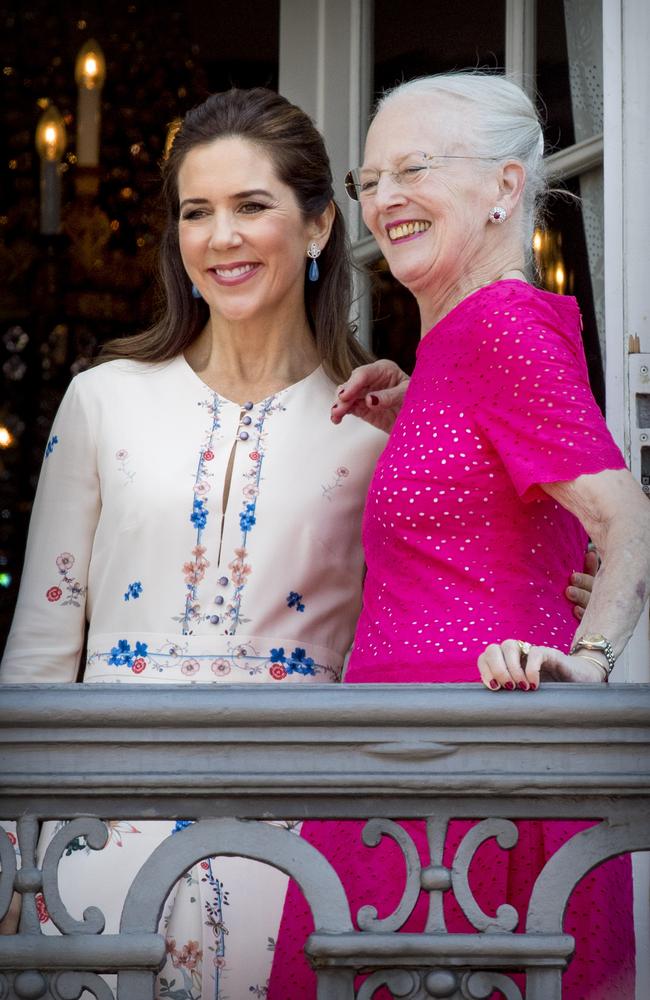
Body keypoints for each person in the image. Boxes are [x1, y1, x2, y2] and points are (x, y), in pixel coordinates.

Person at [0, 86, 388, 998]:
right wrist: (16, 845)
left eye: (252, 206)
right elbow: (41, 650)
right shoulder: (103, 401)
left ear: (321, 224)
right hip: (92, 849)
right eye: (196, 212)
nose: (222, 238)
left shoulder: (378, 430)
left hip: (301, 858)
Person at [270, 72, 650, 1000]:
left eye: (415, 168)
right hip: (415, 764)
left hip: (468, 776)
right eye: (370, 180)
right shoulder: (457, 338)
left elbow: (628, 520)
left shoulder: (501, 327)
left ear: (506, 189)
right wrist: (415, 415)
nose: (384, 198)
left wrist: (589, 665)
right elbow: (493, 524)